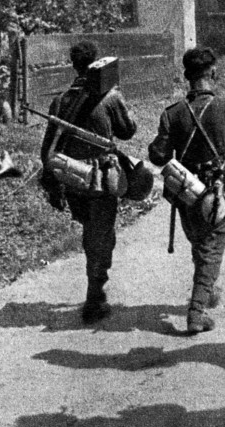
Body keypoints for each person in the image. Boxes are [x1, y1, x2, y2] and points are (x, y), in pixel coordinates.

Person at [39, 41, 137, 324]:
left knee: (90, 231)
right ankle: (95, 296)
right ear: (97, 63)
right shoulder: (109, 97)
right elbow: (128, 131)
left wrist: (52, 184)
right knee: (101, 235)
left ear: (74, 66)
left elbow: (47, 149)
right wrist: (122, 105)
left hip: (72, 177)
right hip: (101, 178)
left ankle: (95, 284)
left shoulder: (60, 101)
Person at [148, 47, 225, 334]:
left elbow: (159, 155)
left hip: (185, 192)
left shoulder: (172, 114)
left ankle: (207, 291)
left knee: (200, 243)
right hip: (217, 191)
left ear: (187, 76)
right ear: (213, 73)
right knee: (212, 249)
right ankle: (196, 313)